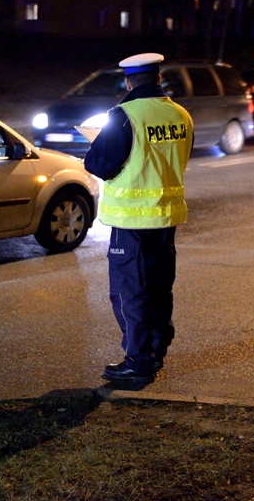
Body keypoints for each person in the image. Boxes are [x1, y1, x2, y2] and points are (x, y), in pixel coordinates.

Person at [83, 52, 194, 383]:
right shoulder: (180, 114)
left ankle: (137, 360)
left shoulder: (123, 116)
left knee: (129, 291)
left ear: (129, 81)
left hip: (131, 223)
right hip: (166, 219)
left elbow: (98, 165)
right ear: (158, 79)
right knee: (160, 287)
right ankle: (156, 350)